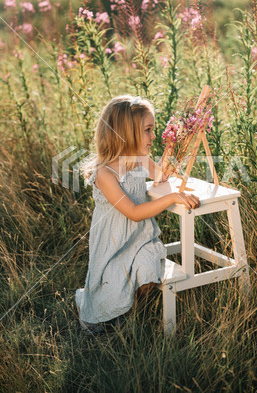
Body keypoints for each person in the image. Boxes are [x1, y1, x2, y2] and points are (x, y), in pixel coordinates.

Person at [75, 95, 200, 333]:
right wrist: (172, 198)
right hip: (114, 245)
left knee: (149, 265)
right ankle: (103, 310)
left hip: (140, 239)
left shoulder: (141, 159)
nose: (153, 136)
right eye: (148, 130)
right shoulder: (105, 174)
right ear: (126, 133)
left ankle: (131, 312)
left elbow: (162, 175)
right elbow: (133, 212)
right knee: (100, 312)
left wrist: (175, 143)